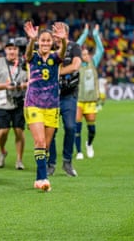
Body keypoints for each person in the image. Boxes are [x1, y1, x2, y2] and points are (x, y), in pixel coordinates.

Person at [23, 21, 67, 191]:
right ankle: (43, 178)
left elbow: (62, 52)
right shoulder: (32, 56)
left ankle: (38, 177)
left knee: (46, 146)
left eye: (48, 41)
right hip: (33, 103)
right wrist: (31, 41)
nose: (46, 43)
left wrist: (63, 41)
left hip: (52, 105)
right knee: (39, 140)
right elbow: (27, 55)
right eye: (43, 40)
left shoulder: (56, 58)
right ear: (38, 42)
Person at [47, 22, 82, 177]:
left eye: (58, 33)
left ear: (66, 34)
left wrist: (55, 72)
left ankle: (67, 161)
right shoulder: (48, 48)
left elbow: (75, 66)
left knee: (70, 127)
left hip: (68, 95)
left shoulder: (74, 47)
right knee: (51, 131)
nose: (54, 37)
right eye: (53, 34)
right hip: (51, 96)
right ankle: (51, 163)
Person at [0, 38, 28, 170]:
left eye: (14, 49)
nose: (12, 51)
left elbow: (32, 81)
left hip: (20, 101)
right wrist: (5, 85)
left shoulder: (25, 63)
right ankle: (2, 151)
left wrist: (22, 86)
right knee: (3, 131)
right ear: (5, 50)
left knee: (19, 131)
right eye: (9, 48)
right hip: (3, 101)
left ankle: (19, 160)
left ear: (18, 50)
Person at [74, 24, 104, 159]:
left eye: (87, 54)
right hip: (79, 100)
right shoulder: (77, 65)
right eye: (83, 54)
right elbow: (76, 46)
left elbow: (101, 50)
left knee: (92, 128)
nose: (86, 56)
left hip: (91, 100)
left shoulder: (94, 62)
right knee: (77, 126)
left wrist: (96, 34)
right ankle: (79, 151)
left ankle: (89, 144)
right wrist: (85, 32)